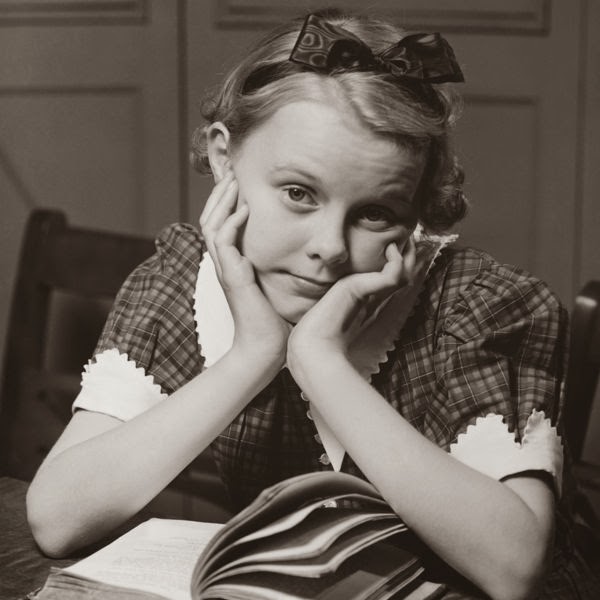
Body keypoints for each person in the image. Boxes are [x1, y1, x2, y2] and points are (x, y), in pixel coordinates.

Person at [26, 8, 599, 599]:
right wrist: (253, 353)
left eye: (375, 213)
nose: (330, 248)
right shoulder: (180, 281)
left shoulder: (481, 307)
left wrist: (321, 361)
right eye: (299, 193)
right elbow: (57, 519)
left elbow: (515, 570)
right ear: (224, 158)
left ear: (418, 212)